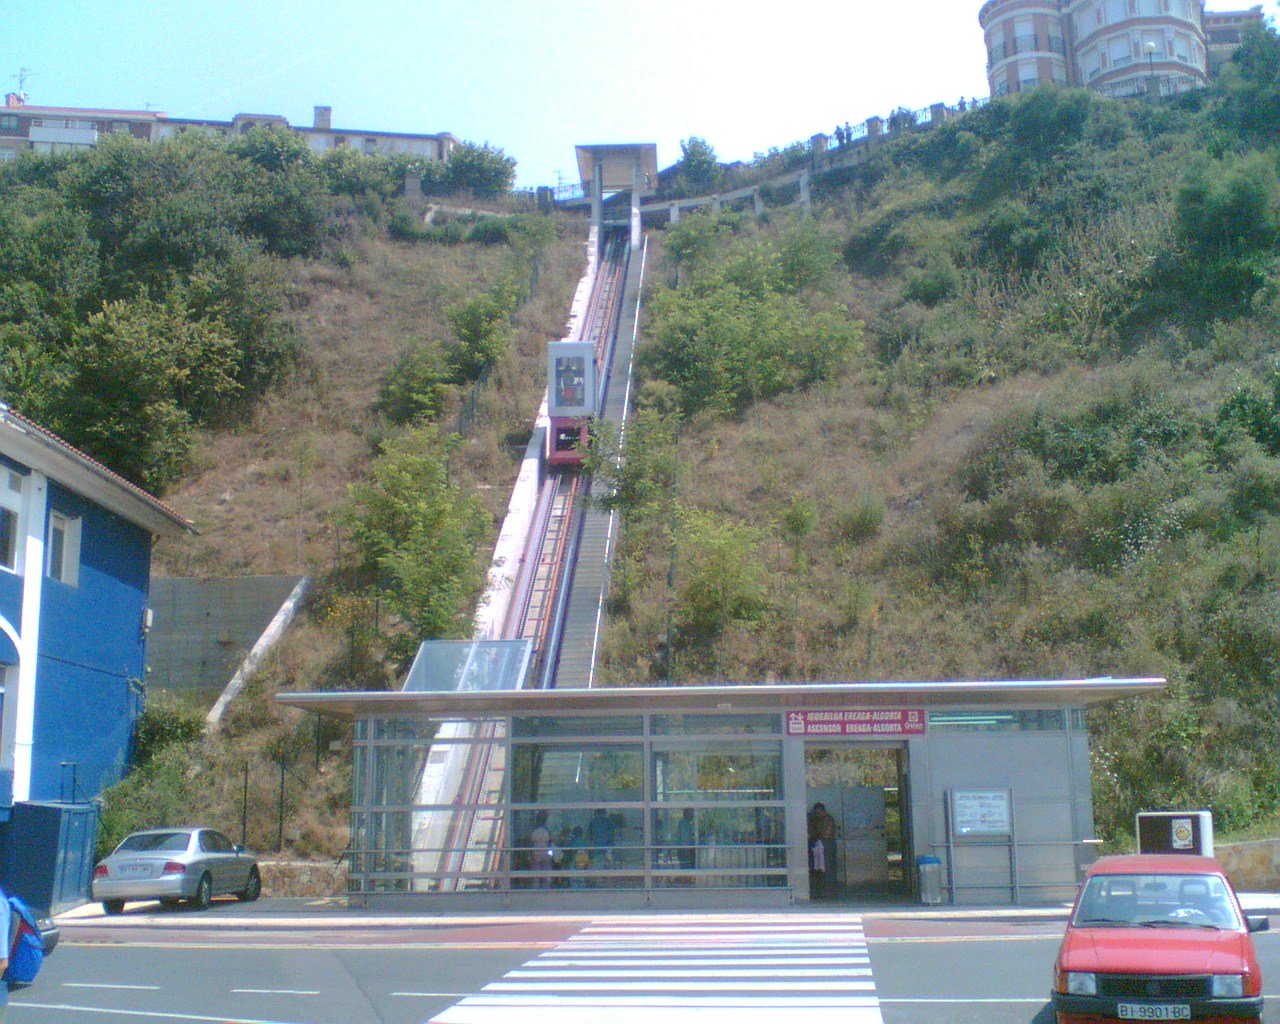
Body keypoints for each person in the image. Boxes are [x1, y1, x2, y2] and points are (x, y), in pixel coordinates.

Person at [808, 802, 838, 899]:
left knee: (827, 869)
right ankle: (825, 892)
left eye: (817, 812)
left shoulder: (826, 820)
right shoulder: (822, 819)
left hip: (826, 844)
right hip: (823, 844)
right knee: (822, 869)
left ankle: (828, 892)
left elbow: (824, 832)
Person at [528, 811, 553, 889]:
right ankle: (546, 887)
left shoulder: (533, 830)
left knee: (536, 872)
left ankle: (535, 888)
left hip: (536, 852)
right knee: (546, 871)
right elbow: (550, 841)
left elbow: (530, 842)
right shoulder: (547, 830)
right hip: (545, 852)